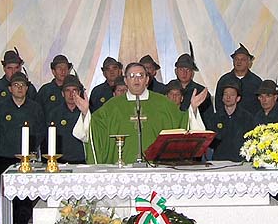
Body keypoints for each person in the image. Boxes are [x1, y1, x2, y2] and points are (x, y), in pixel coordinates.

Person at [72, 62, 207, 164]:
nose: (136, 80)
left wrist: (193, 109)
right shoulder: (112, 106)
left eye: (140, 76)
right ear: (125, 80)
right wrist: (85, 113)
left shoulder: (163, 103)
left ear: (147, 80)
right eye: (132, 76)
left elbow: (182, 123)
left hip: (156, 170)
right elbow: (94, 128)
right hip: (122, 171)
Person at [0, 72, 45, 224]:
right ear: (10, 88)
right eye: (16, 85)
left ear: (27, 88)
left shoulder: (35, 108)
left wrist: (30, 149)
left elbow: (40, 131)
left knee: (24, 199)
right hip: (4, 158)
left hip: (26, 159)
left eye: (23, 85)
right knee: (7, 198)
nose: (20, 88)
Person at [206, 76, 254, 161]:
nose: (228, 97)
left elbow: (251, 141)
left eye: (232, 95)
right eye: (225, 94)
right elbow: (210, 143)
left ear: (238, 98)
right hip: (219, 161)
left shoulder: (247, 118)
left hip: (241, 161)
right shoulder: (215, 118)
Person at [214, 44, 262, 115]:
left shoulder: (256, 82)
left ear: (249, 62)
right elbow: (218, 102)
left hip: (250, 120)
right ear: (233, 61)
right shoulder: (224, 80)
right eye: (236, 59)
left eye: (243, 59)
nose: (239, 62)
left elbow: (261, 104)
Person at [49, 75, 87, 163]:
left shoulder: (86, 113)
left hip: (82, 160)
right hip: (60, 161)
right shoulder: (54, 114)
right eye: (67, 90)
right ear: (62, 93)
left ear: (79, 93)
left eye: (74, 90)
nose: (71, 94)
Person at [174, 51, 213, 116]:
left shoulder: (201, 92)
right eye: (181, 69)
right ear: (176, 71)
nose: (184, 73)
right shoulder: (168, 90)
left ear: (192, 73)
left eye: (188, 70)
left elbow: (208, 117)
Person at [37, 54, 72, 119]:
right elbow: (37, 113)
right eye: (59, 68)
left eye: (65, 68)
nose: (63, 71)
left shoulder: (75, 90)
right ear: (53, 71)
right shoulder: (45, 91)